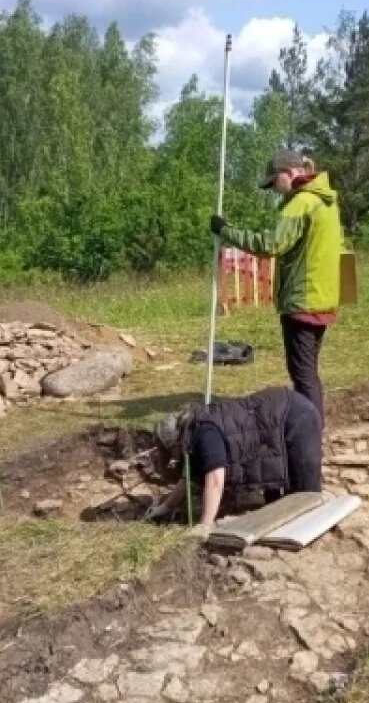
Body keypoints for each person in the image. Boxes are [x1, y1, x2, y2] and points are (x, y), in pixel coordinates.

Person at [211, 150, 342, 419]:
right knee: (308, 370)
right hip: (322, 297)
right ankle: (311, 424)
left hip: (302, 300)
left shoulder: (300, 203)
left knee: (302, 374)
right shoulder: (326, 201)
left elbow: (271, 245)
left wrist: (226, 231)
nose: (273, 189)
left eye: (274, 182)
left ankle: (310, 433)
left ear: (290, 173)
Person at [143, 387, 323, 530]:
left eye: (171, 454)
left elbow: (215, 480)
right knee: (276, 507)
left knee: (305, 499)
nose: (174, 459)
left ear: (174, 443)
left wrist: (204, 525)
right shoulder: (192, 433)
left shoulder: (204, 433)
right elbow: (190, 479)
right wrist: (165, 507)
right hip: (274, 421)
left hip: (296, 416)